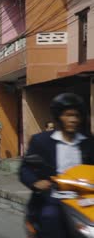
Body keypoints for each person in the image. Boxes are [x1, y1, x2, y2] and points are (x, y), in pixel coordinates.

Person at [19, 93, 94, 238]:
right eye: (68, 115)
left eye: (76, 115)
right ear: (59, 116)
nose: (72, 119)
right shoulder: (41, 141)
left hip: (83, 198)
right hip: (53, 197)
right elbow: (25, 169)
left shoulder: (88, 142)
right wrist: (36, 182)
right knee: (50, 217)